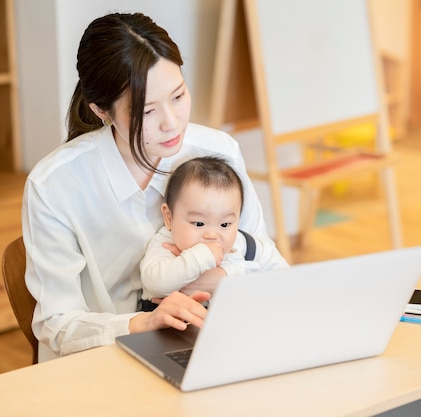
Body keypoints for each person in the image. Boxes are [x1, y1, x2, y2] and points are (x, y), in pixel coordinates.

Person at [22, 12, 288, 362]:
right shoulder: (55, 186)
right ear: (102, 111)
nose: (172, 123)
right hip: (105, 361)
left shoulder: (217, 152)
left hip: (211, 342)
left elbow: (263, 258)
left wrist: (223, 275)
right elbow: (57, 325)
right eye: (147, 112)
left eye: (178, 96)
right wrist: (143, 323)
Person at [140, 156, 288, 306]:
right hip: (176, 327)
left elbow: (283, 275)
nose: (212, 235)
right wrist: (201, 257)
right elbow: (156, 284)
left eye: (224, 224)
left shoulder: (243, 244)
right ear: (169, 217)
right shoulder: (166, 245)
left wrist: (230, 274)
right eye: (198, 223)